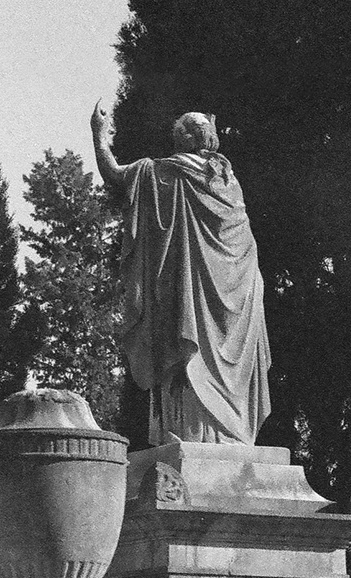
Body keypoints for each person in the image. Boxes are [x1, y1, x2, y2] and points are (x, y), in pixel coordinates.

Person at [91, 104, 272, 447]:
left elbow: (114, 173)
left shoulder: (165, 172)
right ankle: (229, 433)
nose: (174, 137)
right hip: (242, 284)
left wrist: (99, 135)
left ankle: (201, 436)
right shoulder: (227, 179)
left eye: (180, 132)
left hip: (212, 291)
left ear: (189, 137)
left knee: (187, 354)